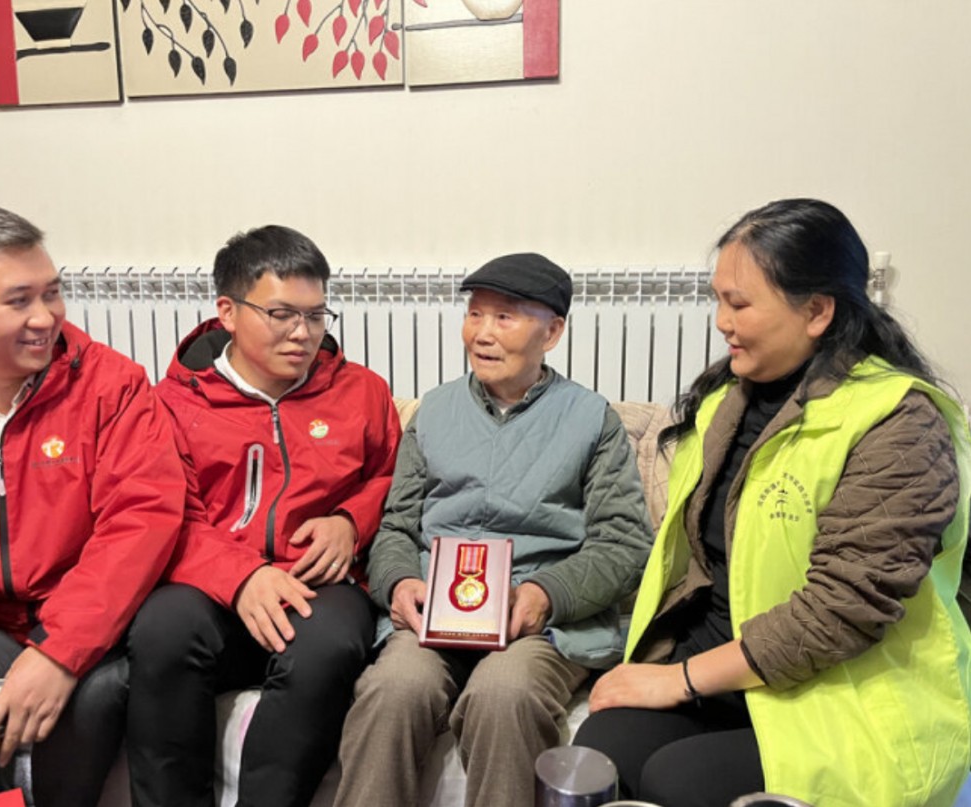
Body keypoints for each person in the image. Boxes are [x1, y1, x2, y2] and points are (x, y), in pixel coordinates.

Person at [573, 198, 971, 807]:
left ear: (817, 311)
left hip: (837, 692)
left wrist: (679, 680)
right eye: (717, 300)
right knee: (601, 752)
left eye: (739, 304)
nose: (721, 322)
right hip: (729, 673)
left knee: (679, 781)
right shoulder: (723, 404)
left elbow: (840, 611)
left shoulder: (899, 423)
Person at [333, 253, 655, 807]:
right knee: (392, 690)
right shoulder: (434, 412)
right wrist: (400, 583)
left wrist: (544, 595)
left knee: (504, 694)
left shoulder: (590, 419)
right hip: (433, 619)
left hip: (539, 628)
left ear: (552, 332)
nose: (482, 333)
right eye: (474, 314)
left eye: (504, 317)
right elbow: (396, 526)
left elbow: (624, 542)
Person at [0, 203, 186, 806]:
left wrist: (59, 654)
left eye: (52, 293)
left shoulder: (111, 386)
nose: (45, 317)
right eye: (19, 300)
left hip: (90, 627)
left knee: (94, 701)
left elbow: (140, 522)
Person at [125, 224, 401, 807]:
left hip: (318, 583)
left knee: (328, 646)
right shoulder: (171, 404)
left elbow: (394, 479)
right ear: (227, 311)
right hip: (210, 585)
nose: (302, 333)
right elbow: (167, 515)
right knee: (162, 631)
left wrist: (351, 521)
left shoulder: (363, 392)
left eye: (316, 315)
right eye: (281, 314)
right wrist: (241, 576)